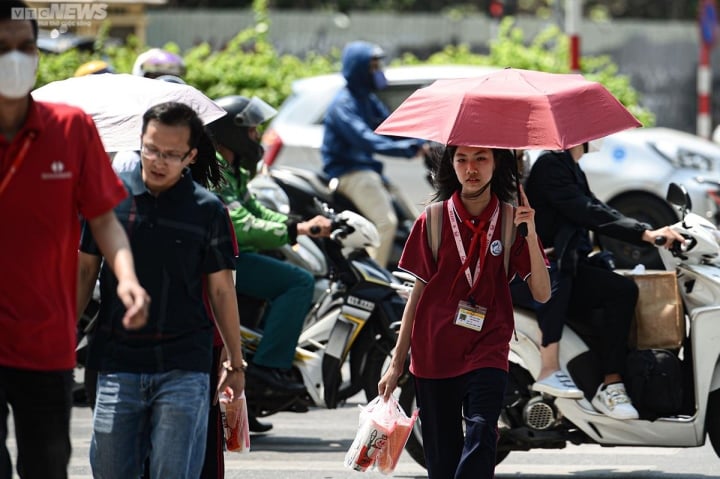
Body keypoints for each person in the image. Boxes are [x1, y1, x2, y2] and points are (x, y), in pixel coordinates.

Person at [0, 2, 149, 478]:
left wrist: (126, 276)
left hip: (45, 340)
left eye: (26, 48)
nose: (16, 59)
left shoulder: (70, 128)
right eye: (2, 49)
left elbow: (103, 218)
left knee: (46, 465)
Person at [77, 101, 245, 479]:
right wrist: (63, 336)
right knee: (110, 470)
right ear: (140, 142)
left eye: (171, 154)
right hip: (117, 363)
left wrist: (235, 360)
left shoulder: (208, 210)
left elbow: (221, 290)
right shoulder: (106, 199)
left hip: (184, 365)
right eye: (151, 149)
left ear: (191, 156)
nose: (158, 161)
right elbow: (85, 269)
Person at [378, 145, 551, 479]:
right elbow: (417, 294)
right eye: (462, 160)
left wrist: (529, 232)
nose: (471, 168)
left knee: (483, 432)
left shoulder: (510, 221)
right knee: (441, 460)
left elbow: (542, 292)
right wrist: (396, 363)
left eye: (481, 158)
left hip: (488, 347)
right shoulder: (433, 219)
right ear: (452, 166)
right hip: (434, 351)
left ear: (497, 163)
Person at [512, 143, 683, 418]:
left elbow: (597, 207)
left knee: (620, 288)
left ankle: (611, 380)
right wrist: (645, 235)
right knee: (619, 291)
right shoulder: (551, 165)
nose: (601, 138)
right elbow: (587, 211)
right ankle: (608, 385)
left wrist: (648, 230)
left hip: (569, 263)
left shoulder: (570, 165)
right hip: (546, 270)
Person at [206, 95, 332, 413]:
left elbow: (254, 209)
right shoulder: (215, 169)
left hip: (236, 254)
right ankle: (268, 370)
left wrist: (298, 224)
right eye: (251, 131)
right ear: (231, 133)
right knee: (298, 281)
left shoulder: (231, 168)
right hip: (224, 260)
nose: (256, 138)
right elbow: (241, 225)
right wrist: (296, 231)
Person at [321, 40, 424, 268]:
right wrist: (408, 149)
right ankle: (369, 281)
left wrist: (424, 138)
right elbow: (366, 140)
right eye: (373, 67)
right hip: (351, 174)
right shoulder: (343, 105)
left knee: (417, 222)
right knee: (386, 224)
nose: (379, 72)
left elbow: (392, 126)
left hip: (370, 173)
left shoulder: (367, 99)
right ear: (359, 69)